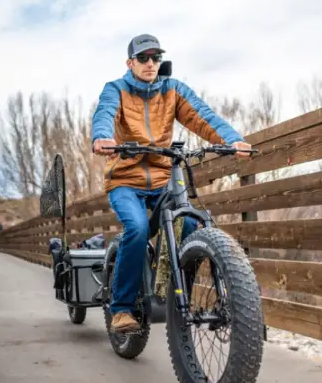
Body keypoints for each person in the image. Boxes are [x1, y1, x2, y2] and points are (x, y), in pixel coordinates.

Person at [91, 33, 251, 333]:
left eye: (156, 57)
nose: (150, 63)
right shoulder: (116, 89)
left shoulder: (172, 89)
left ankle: (176, 297)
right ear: (130, 63)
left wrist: (232, 140)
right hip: (126, 179)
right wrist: (102, 137)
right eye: (143, 58)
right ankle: (122, 309)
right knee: (137, 229)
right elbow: (104, 113)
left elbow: (203, 116)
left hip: (163, 177)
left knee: (189, 225)